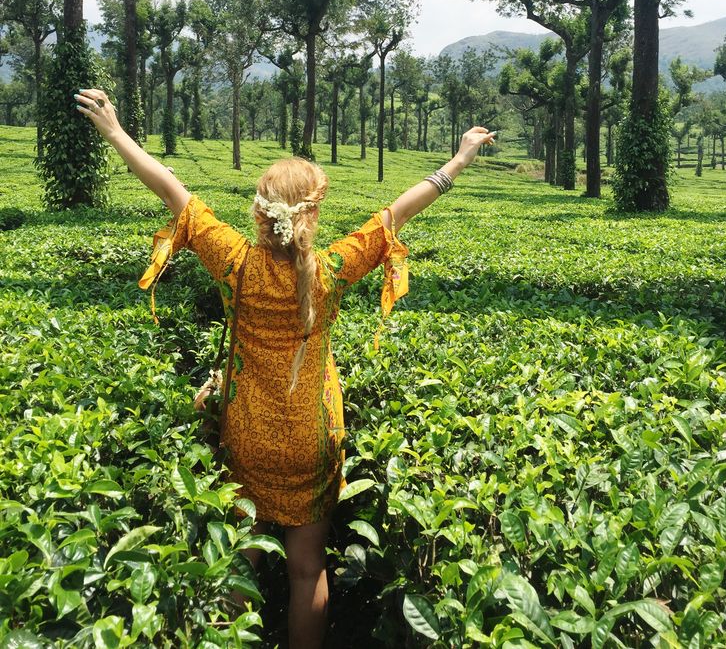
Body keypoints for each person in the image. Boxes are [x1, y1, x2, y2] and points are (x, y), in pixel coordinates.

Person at [75, 86, 495, 648]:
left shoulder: (235, 261)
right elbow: (401, 208)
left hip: (247, 432)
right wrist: (460, 159)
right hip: (313, 436)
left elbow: (171, 190)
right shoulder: (332, 269)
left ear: (258, 210)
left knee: (238, 558)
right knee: (306, 567)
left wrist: (116, 132)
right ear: (312, 214)